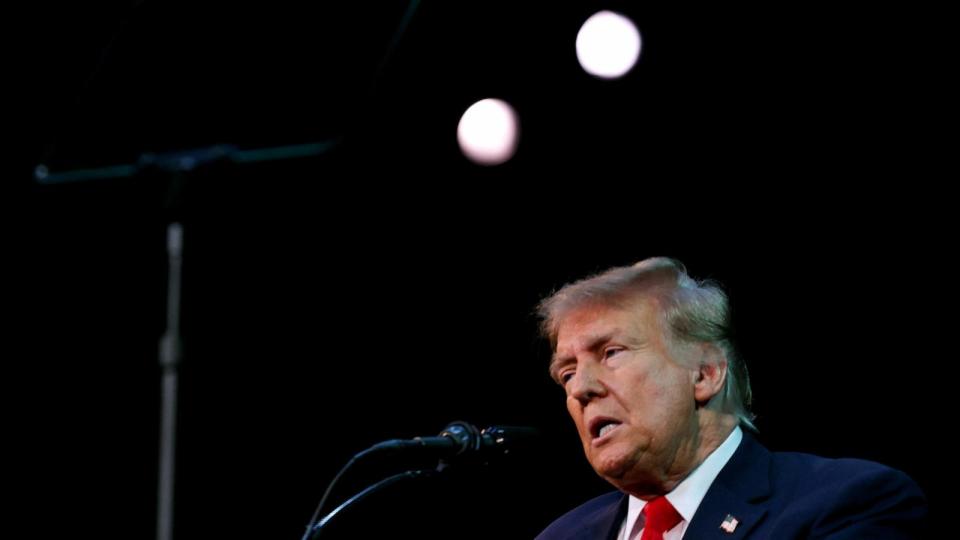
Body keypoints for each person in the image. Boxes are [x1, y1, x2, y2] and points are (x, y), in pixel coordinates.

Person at [534, 257, 927, 539]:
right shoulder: (561, 535)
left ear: (705, 373)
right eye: (566, 373)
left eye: (611, 353)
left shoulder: (847, 504)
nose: (580, 388)